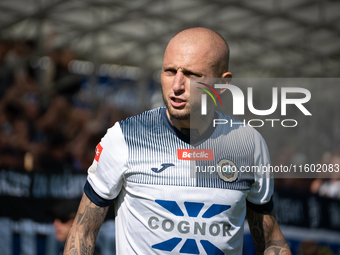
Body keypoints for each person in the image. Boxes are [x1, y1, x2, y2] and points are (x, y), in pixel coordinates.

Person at [64, 27, 291, 255]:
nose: (177, 86)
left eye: (192, 75)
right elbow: (83, 233)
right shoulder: (125, 137)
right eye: (170, 71)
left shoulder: (248, 145)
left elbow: (271, 240)